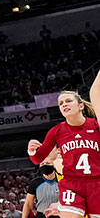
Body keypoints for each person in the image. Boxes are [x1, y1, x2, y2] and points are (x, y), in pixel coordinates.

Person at [28, 80, 100, 218]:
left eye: (68, 101)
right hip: (72, 184)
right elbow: (38, 159)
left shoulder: (96, 126)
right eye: (61, 103)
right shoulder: (57, 131)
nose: (64, 104)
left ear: (81, 106)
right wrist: (31, 151)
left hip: (96, 183)